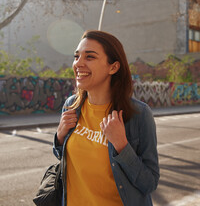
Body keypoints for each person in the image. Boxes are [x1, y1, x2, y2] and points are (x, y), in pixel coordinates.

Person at [53, 30, 159, 206]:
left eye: (90, 57)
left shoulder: (138, 115)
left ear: (113, 67)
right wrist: (59, 137)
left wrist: (122, 146)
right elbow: (63, 158)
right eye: (76, 56)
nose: (78, 63)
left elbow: (149, 183)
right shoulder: (72, 106)